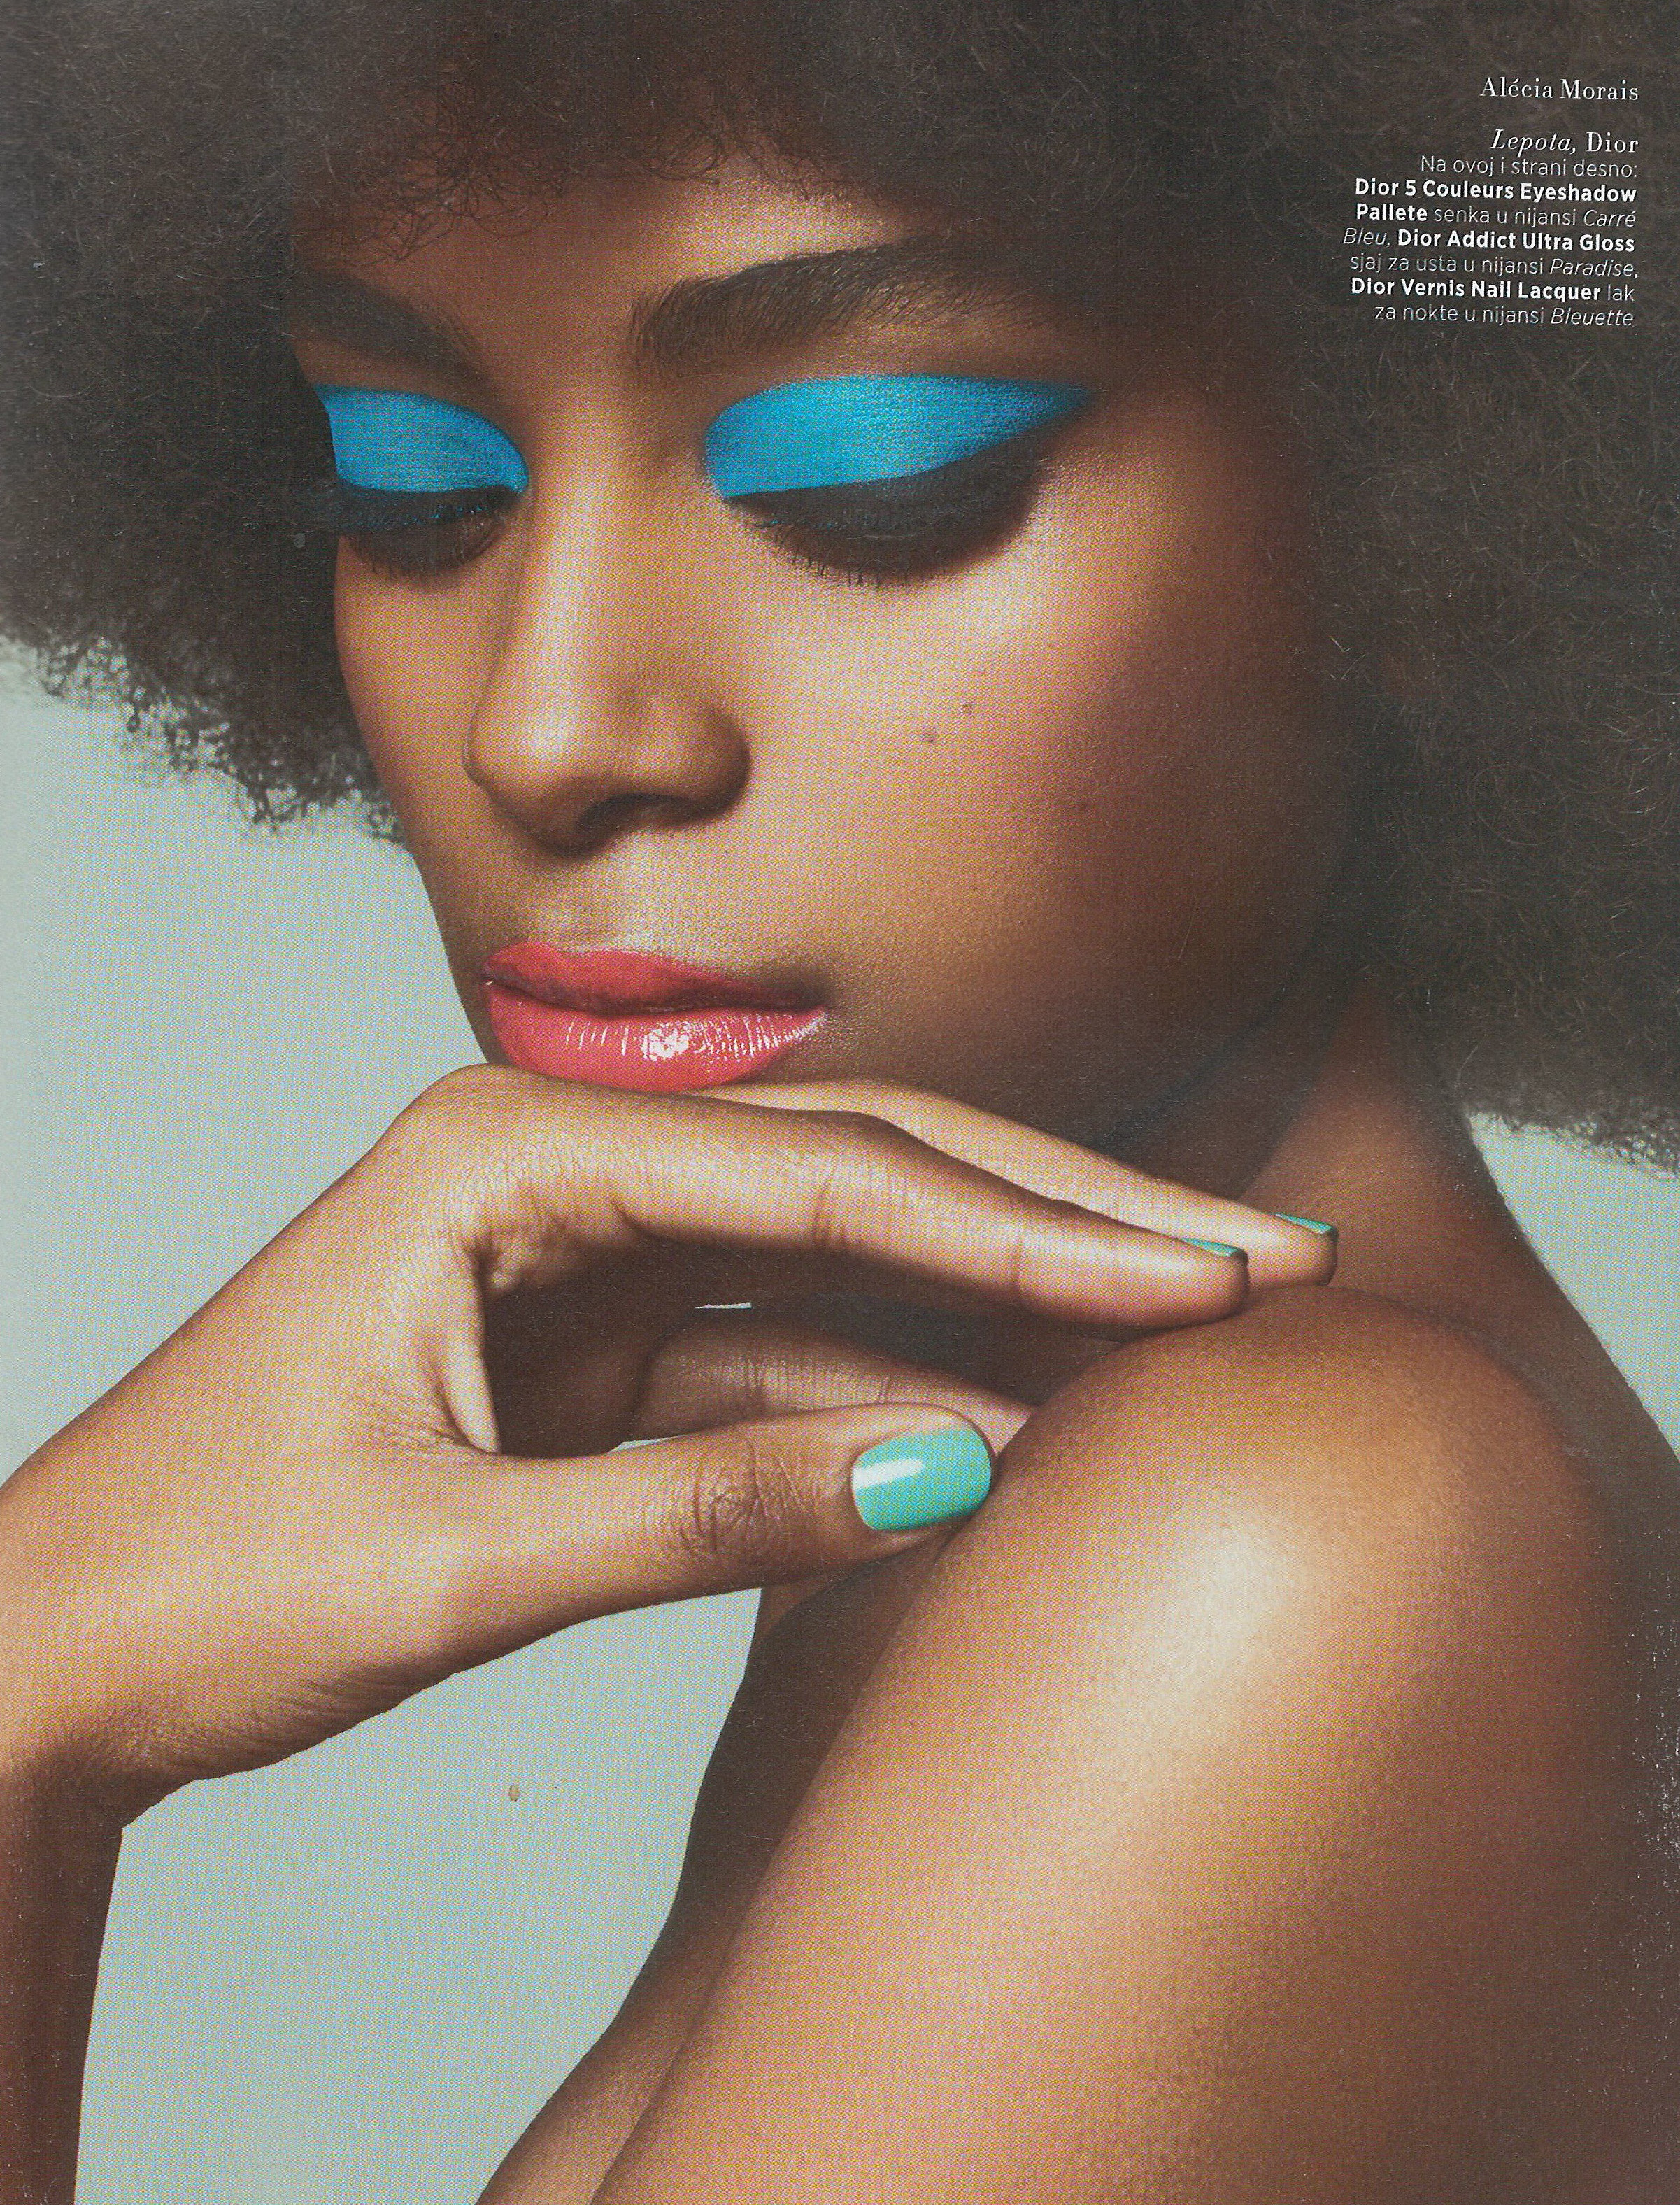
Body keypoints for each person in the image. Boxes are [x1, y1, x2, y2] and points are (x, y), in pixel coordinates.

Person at [1, 2, 1677, 2198]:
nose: (548, 727)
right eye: (416, 488)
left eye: (877, 484)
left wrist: (26, 1704)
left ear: (1429, 531)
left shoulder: (1286, 1539)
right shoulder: (1047, 1479)